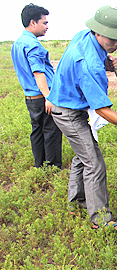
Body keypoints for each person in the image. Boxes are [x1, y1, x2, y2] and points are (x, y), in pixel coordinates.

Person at [47, 6, 117, 229]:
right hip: (68, 113)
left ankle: (77, 202)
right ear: (98, 32)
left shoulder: (85, 35)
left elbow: (98, 58)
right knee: (94, 163)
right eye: (112, 39)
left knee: (82, 155)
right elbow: (101, 108)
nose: (116, 44)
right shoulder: (87, 65)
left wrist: (107, 63)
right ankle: (101, 221)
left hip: (69, 105)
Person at [11, 3, 62, 169]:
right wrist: (49, 96)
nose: (47, 26)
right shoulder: (33, 45)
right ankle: (53, 168)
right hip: (42, 97)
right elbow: (38, 73)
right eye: (44, 22)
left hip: (31, 98)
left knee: (37, 132)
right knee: (51, 132)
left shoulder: (18, 43)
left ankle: (39, 166)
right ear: (33, 23)